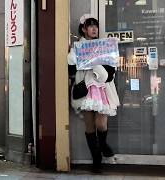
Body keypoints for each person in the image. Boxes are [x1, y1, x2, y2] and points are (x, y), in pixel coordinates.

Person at [67, 14, 120, 172]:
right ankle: (96, 159)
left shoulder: (104, 46)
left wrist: (98, 62)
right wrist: (74, 57)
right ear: (83, 29)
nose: (94, 28)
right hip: (85, 88)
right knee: (89, 125)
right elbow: (70, 69)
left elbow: (111, 72)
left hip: (101, 88)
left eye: (95, 26)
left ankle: (103, 144)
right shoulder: (77, 47)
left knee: (100, 123)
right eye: (90, 26)